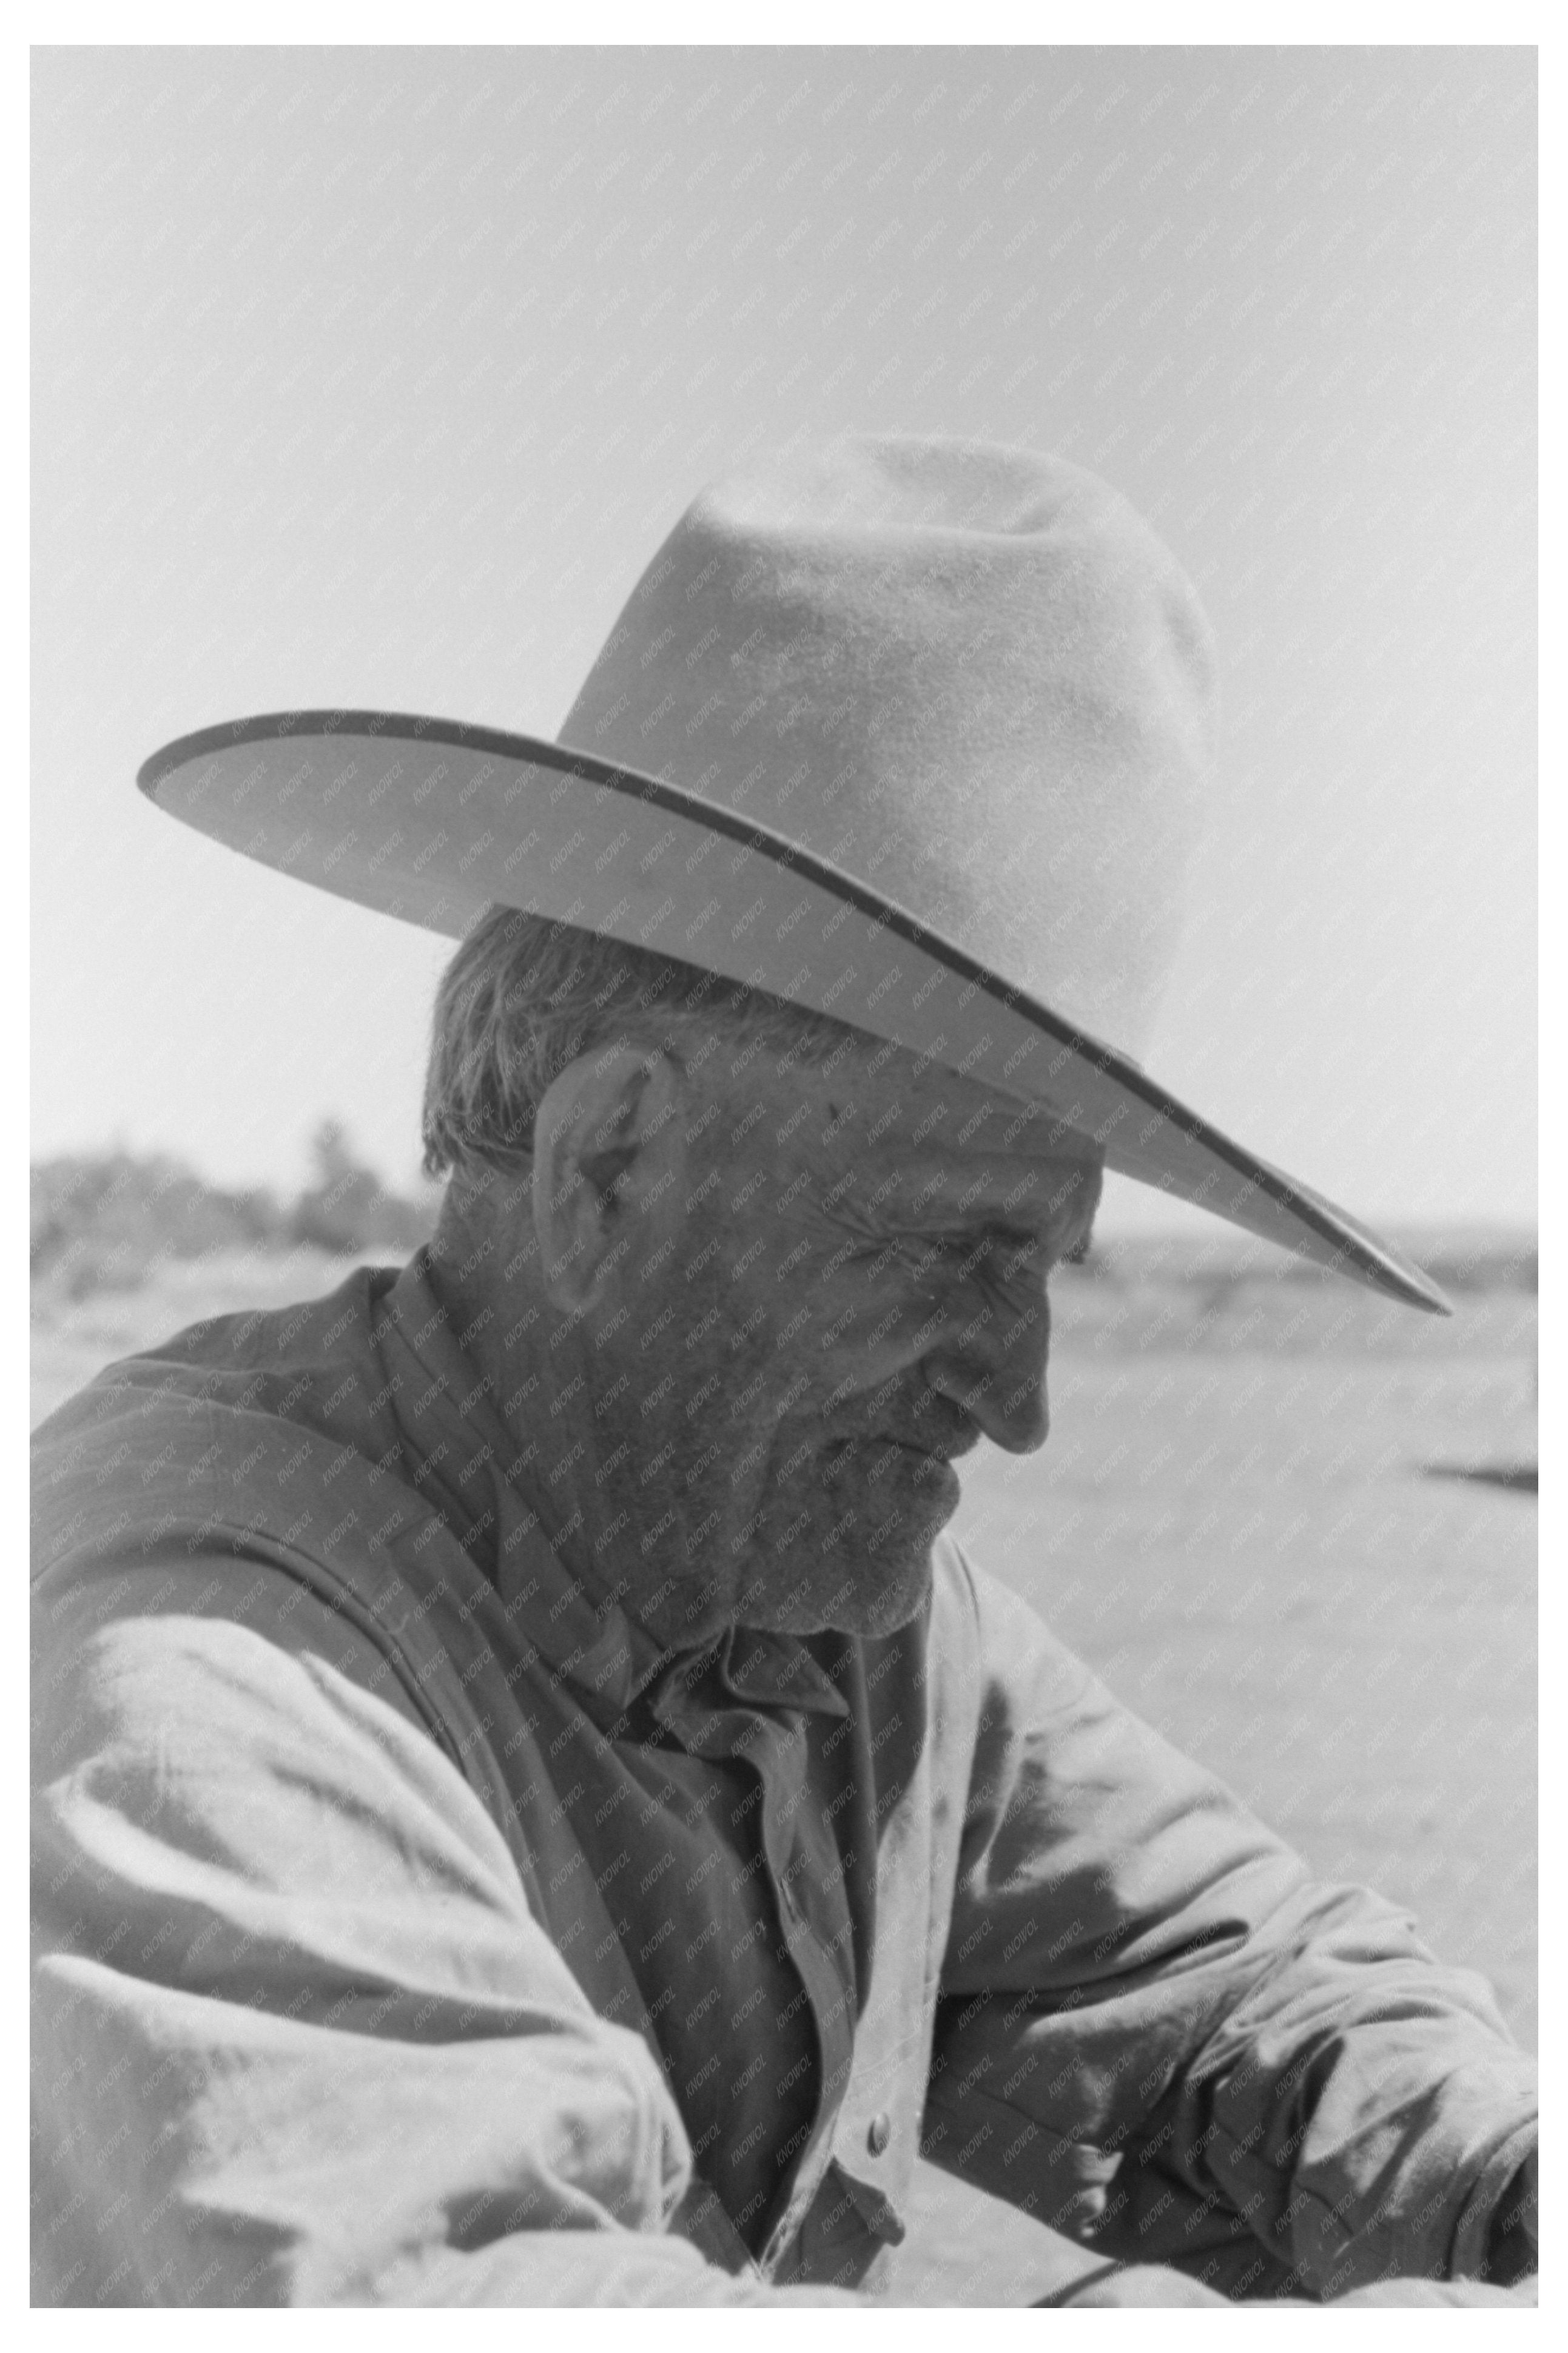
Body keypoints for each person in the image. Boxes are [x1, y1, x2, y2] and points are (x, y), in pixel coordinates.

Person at [32, 439, 1535, 2307]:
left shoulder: (857, 1623)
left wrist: (1506, 2189)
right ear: (609, 1165)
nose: (1018, 1395)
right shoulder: (197, 1641)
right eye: (954, 1250)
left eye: (1048, 1264)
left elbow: (1239, 1974)